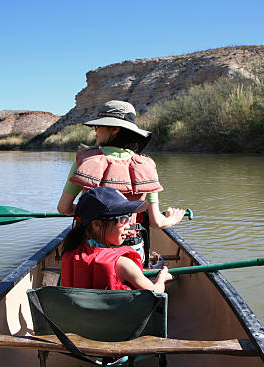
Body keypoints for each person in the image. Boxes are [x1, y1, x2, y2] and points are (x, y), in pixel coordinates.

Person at [57, 100, 187, 261]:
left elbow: (64, 208)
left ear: (115, 129)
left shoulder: (84, 160)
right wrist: (173, 219)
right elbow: (155, 222)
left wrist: (91, 211)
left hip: (90, 247)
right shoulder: (147, 165)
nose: (95, 132)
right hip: (130, 247)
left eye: (98, 127)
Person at [60, 187, 173, 293]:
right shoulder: (124, 264)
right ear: (97, 225)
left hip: (79, 314)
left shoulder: (69, 253)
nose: (128, 226)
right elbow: (156, 292)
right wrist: (162, 277)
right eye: (122, 219)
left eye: (129, 217)